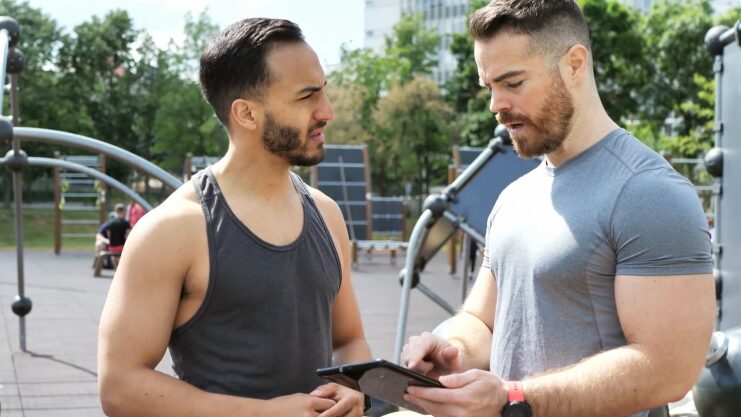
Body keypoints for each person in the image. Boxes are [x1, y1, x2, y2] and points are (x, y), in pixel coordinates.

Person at [396, 1, 716, 417]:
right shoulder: (514, 197)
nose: (496, 105)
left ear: (574, 64)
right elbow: (482, 319)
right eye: (489, 86)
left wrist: (515, 397)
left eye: (512, 83)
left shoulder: (649, 192)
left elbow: (668, 369)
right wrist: (452, 348)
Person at [98, 18, 372, 417]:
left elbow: (349, 340)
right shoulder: (173, 229)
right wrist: (264, 413)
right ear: (245, 113)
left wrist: (353, 385)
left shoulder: (327, 214)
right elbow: (119, 388)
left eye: (323, 91)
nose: (327, 111)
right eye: (307, 96)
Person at [95, 203, 131, 268]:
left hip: (112, 247)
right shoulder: (126, 223)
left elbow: (109, 234)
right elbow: (128, 234)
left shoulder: (110, 223)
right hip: (120, 246)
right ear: (124, 212)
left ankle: (115, 267)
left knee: (114, 255)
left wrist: (109, 240)